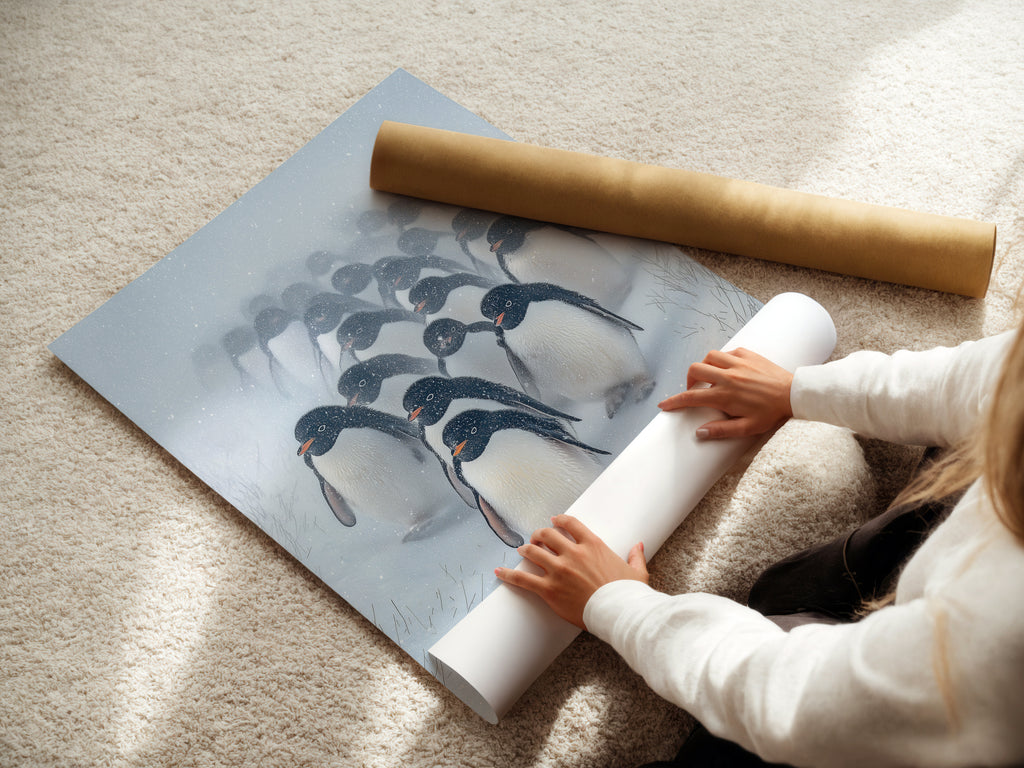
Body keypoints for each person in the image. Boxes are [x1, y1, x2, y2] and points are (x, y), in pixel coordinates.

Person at [494, 324, 1024, 767]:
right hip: (954, 594)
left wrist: (619, 605)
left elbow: (796, 700)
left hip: (944, 715)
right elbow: (983, 378)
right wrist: (797, 390)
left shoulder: (998, 637)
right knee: (786, 591)